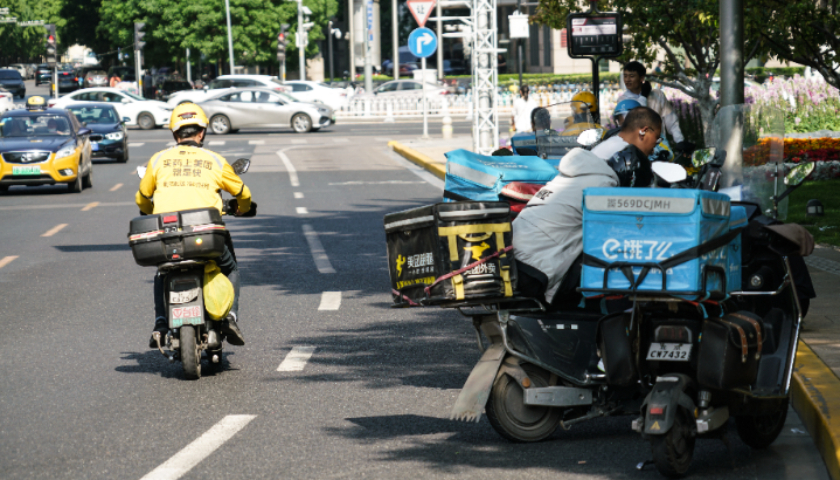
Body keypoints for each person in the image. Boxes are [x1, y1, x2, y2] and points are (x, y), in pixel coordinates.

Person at [512, 108, 662, 308]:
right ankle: (599, 320)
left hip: (514, 258)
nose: (654, 147)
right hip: (533, 271)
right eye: (657, 139)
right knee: (615, 260)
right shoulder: (603, 187)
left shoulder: (586, 171)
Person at [136, 103, 252, 348]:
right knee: (231, 269)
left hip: (168, 237)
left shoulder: (158, 160)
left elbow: (142, 198)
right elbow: (243, 193)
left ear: (175, 134)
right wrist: (242, 208)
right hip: (206, 236)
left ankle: (160, 323)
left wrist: (149, 211)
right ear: (202, 133)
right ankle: (230, 317)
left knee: (162, 272)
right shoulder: (214, 160)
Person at [618, 61, 690, 153]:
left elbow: (671, 120)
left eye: (631, 76)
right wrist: (643, 97)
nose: (627, 80)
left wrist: (680, 140)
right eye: (625, 76)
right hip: (636, 151)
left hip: (660, 148)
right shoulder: (622, 100)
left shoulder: (658, 95)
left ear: (641, 78)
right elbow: (636, 124)